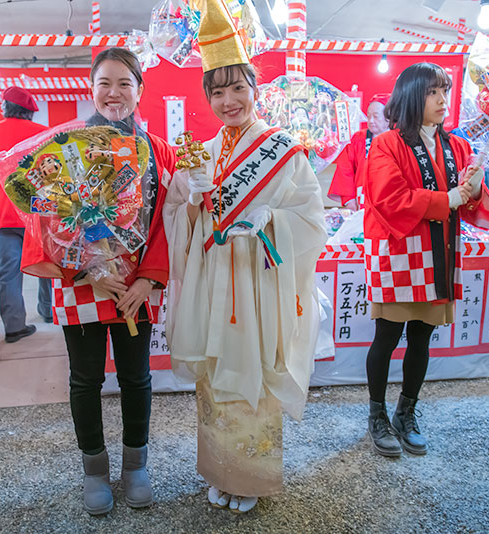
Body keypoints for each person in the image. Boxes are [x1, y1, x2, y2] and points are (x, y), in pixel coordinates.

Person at [163, 0, 326, 514]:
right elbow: (178, 220)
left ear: (256, 89)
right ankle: (219, 469)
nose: (228, 100)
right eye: (217, 90)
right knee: (217, 373)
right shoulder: (202, 154)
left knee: (254, 370)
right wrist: (189, 202)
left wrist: (270, 221)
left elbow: (310, 219)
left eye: (238, 87)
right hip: (216, 282)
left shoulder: (282, 149)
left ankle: (252, 478)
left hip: (259, 283)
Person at [20, 48, 176, 515]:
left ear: (140, 90)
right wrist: (87, 270)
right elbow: (45, 223)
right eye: (105, 82)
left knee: (136, 377)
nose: (114, 93)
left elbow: (168, 220)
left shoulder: (158, 150)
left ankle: (135, 465)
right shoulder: (64, 149)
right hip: (84, 283)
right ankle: (94, 468)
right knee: (85, 379)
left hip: (136, 289)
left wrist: (148, 279)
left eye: (124, 83)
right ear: (91, 88)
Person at [363, 62, 489, 458]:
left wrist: (475, 190)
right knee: (387, 336)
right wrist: (453, 198)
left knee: (422, 335)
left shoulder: (457, 146)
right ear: (412, 97)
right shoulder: (387, 144)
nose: (443, 99)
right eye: (433, 92)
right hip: (398, 254)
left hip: (438, 252)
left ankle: (406, 412)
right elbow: (389, 200)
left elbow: (470, 204)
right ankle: (376, 414)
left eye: (445, 91)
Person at [0, 86, 53, 341]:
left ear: (4, 108)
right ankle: (48, 311)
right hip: (38, 214)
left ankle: (14, 327)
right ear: (30, 111)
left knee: (8, 271)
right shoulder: (44, 134)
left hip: (2, 215)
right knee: (46, 264)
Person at [328, 93, 390, 210]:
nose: (370, 121)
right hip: (360, 200)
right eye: (368, 116)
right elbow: (345, 169)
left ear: (389, 117)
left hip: (390, 201)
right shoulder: (359, 138)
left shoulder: (399, 139)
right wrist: (349, 200)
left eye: (376, 116)